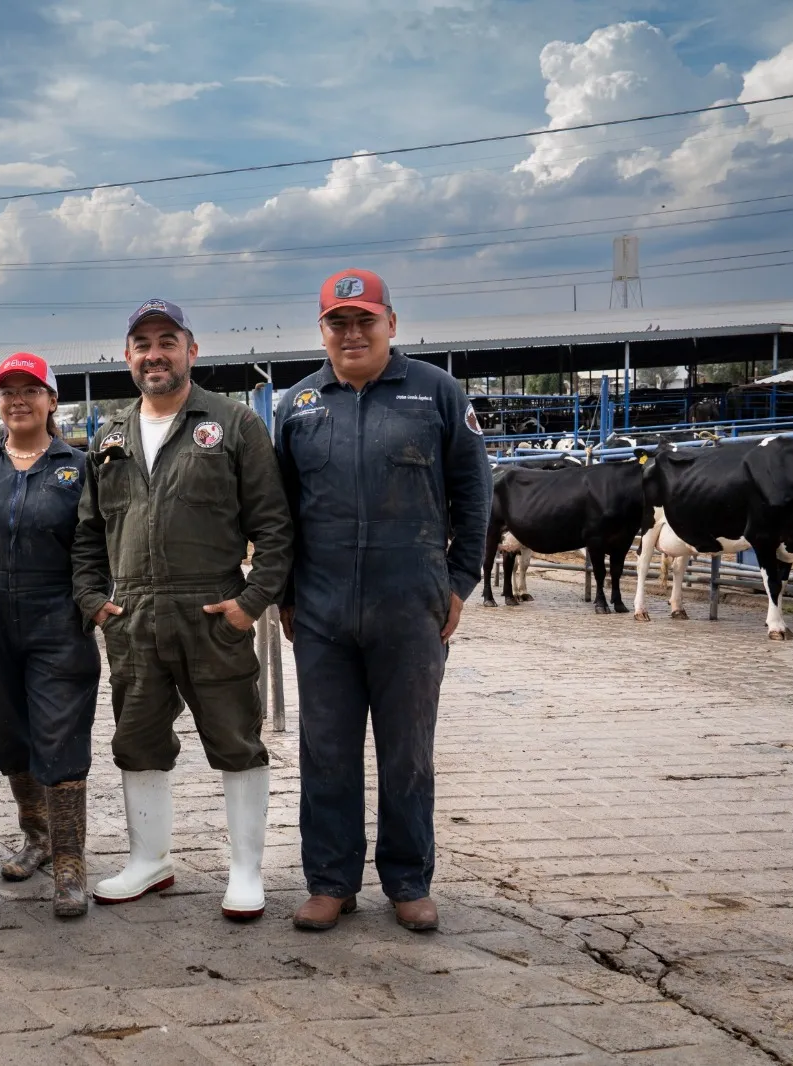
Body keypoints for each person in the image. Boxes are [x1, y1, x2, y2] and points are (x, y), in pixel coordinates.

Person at [275, 269, 491, 933]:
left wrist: (459, 581)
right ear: (322, 331)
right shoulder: (299, 406)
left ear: (391, 324)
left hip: (410, 604)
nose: (352, 333)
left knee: (407, 751)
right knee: (328, 750)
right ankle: (331, 882)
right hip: (322, 608)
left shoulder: (436, 394)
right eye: (337, 323)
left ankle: (407, 880)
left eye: (364, 320)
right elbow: (279, 510)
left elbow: (475, 493)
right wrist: (284, 593)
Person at [71, 300, 293, 920]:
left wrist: (250, 605)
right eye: (141, 343)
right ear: (127, 357)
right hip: (133, 615)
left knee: (237, 740)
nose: (154, 354)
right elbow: (88, 534)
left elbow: (275, 527)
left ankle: (246, 871)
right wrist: (95, 602)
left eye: (167, 340)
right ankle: (150, 861)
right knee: (137, 740)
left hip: (211, 610)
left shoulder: (232, 424)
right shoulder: (109, 437)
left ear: (192, 351)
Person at [0, 353, 101, 917]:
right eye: (7, 391)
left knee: (60, 733)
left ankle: (69, 861)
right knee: (6, 732)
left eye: (30, 390)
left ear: (52, 400)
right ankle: (35, 836)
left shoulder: (79, 467)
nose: (17, 400)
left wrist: (92, 599)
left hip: (55, 614)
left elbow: (96, 543)